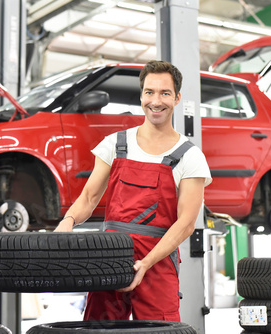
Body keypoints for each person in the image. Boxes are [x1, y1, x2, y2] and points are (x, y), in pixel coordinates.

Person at [54, 60, 212, 321]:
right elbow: (89, 197)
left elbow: (185, 224)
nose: (156, 101)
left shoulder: (190, 157)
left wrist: (146, 264)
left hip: (157, 264)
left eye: (165, 93)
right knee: (99, 329)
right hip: (110, 257)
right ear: (141, 96)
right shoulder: (115, 144)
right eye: (149, 92)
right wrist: (68, 221)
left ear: (177, 98)